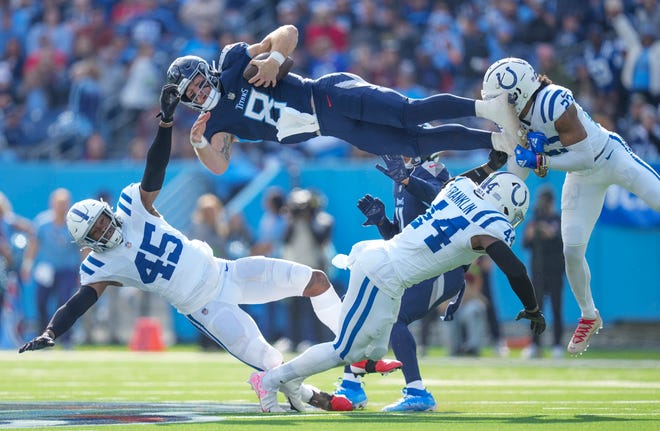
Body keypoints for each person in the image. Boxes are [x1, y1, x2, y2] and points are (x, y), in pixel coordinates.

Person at [17, 83, 351, 413]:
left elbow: (155, 168)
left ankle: (352, 350)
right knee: (270, 361)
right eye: (96, 231)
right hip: (205, 307)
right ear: (88, 242)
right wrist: (51, 330)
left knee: (316, 280)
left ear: (107, 212)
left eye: (103, 220)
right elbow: (78, 303)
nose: (104, 229)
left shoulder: (133, 206)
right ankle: (313, 396)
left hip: (226, 271)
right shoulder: (99, 267)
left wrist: (165, 121)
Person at [249, 171, 547, 413]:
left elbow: (445, 187)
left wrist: (484, 168)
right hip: (381, 271)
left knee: (375, 350)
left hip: (388, 272)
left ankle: (295, 379)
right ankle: (273, 379)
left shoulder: (461, 187)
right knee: (345, 349)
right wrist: (532, 307)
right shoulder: (490, 224)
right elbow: (516, 270)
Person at [166, 24, 522, 175]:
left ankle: (486, 108)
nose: (198, 92)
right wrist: (198, 143)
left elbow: (288, 33)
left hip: (329, 95)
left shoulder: (232, 63)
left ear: (206, 72)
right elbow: (219, 165)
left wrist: (274, 60)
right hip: (332, 128)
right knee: (415, 146)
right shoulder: (215, 124)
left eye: (197, 83)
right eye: (191, 94)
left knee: (408, 113)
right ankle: (496, 138)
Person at [482, 57, 660, 354]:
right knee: (572, 251)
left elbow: (586, 156)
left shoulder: (553, 101)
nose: (498, 106)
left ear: (518, 92)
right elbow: (519, 174)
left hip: (608, 156)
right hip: (580, 177)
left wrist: (541, 160)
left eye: (501, 98)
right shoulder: (518, 119)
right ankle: (589, 315)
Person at [333, 149, 508, 412]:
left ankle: (416, 392)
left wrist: (407, 180)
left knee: (392, 318)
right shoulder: (402, 179)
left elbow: (441, 198)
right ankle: (352, 386)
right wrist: (382, 222)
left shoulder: (434, 170)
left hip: (439, 268)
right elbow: (402, 238)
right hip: (417, 264)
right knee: (361, 308)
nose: (397, 150)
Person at [522, 187, 565, 359]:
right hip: (537, 273)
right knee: (536, 310)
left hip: (554, 272)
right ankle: (535, 344)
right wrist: (531, 233)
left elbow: (560, 239)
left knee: (556, 309)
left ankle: (557, 345)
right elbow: (525, 244)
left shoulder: (558, 220)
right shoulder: (534, 221)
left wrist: (550, 232)